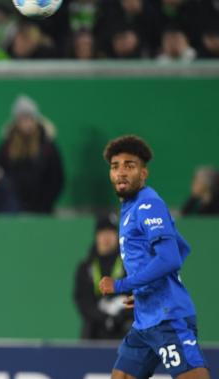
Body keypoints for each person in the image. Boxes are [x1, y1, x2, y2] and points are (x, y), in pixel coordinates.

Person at [99, 135, 210, 379]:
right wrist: (143, 289)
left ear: (144, 173)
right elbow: (181, 247)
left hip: (168, 317)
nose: (121, 172)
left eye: (130, 165)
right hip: (146, 318)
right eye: (115, 166)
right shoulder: (131, 206)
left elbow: (170, 258)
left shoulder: (148, 204)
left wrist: (121, 285)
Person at [0, 95, 64, 213]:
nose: (26, 123)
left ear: (35, 119)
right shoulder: (6, 146)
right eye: (22, 119)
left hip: (43, 209)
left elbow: (57, 178)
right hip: (13, 209)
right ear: (16, 121)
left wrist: (46, 203)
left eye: (29, 118)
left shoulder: (47, 147)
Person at [74, 215, 132, 340]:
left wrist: (122, 314)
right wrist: (104, 318)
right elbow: (83, 301)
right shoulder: (86, 267)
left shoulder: (130, 264)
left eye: (110, 233)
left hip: (125, 325)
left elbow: (140, 296)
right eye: (103, 233)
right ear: (96, 236)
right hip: (96, 327)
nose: (106, 238)